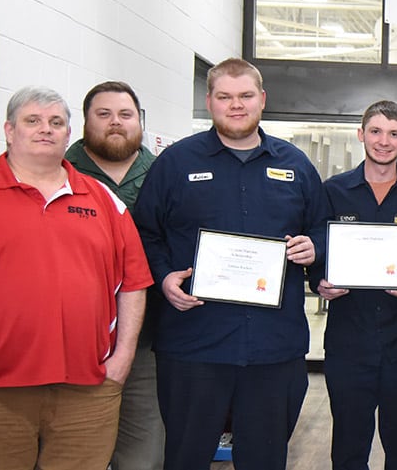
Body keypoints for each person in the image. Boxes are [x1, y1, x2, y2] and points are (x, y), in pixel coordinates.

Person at [133, 57, 329, 470]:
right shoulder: (176, 163)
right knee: (185, 458)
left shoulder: (295, 165)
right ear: (209, 101)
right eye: (224, 96)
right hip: (194, 344)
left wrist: (314, 248)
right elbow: (144, 234)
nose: (236, 105)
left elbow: (321, 229)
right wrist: (164, 277)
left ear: (262, 99)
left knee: (265, 460)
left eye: (245, 95)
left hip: (274, 349)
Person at [0, 86, 150, 469]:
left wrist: (121, 359)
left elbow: (134, 283)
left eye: (56, 122)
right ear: (9, 130)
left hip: (87, 391)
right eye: (32, 120)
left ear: (68, 133)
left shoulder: (103, 199)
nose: (45, 129)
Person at [315, 100, 397, 470]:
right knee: (348, 447)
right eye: (375, 131)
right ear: (361, 134)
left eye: (393, 133)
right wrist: (320, 281)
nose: (383, 141)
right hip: (348, 340)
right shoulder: (334, 190)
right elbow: (320, 249)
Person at [65, 80, 164, 470]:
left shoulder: (165, 173)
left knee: (144, 453)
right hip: (71, 340)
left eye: (125, 114)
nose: (116, 122)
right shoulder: (57, 173)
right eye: (103, 114)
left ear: (139, 121)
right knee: (73, 454)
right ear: (85, 121)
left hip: (148, 338)